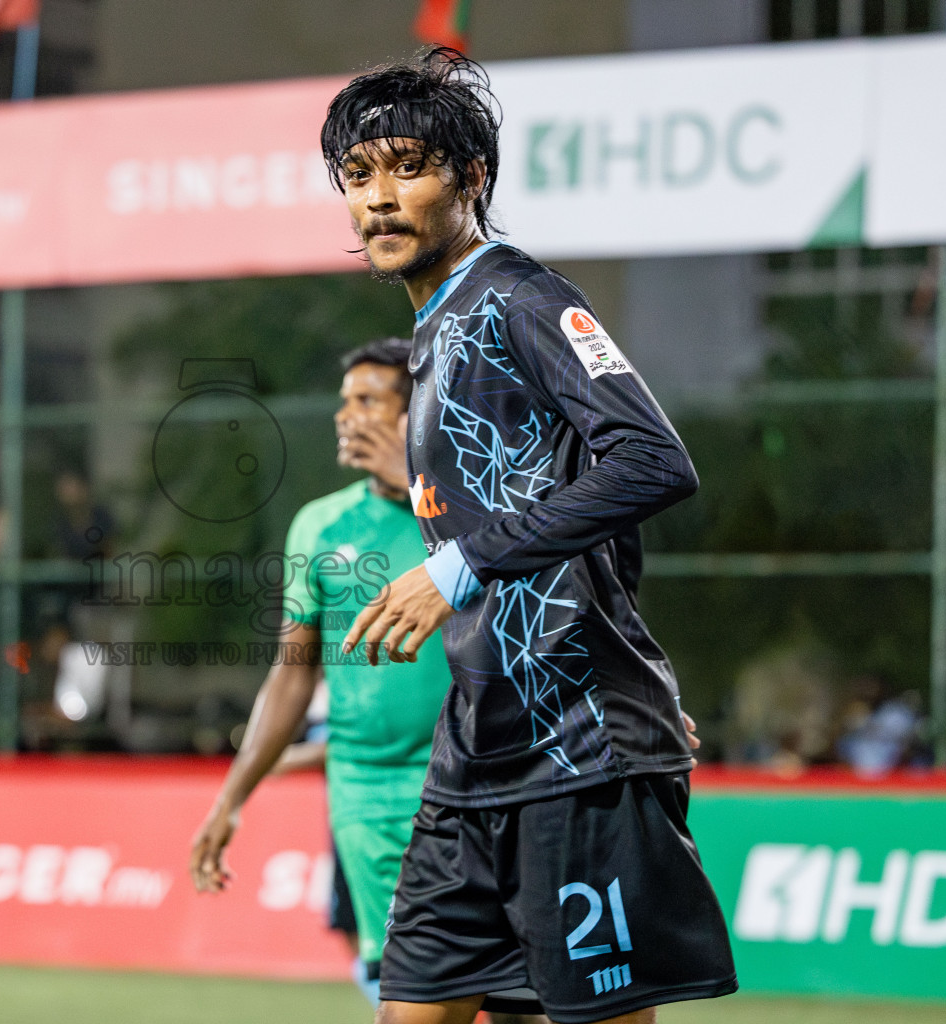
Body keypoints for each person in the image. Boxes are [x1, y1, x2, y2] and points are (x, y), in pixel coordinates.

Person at [325, 51, 736, 1023]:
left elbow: (651, 463)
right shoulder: (433, 333)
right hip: (472, 754)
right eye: (358, 176)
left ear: (471, 178)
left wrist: (456, 570)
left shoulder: (520, 296)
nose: (380, 199)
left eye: (408, 167)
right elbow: (585, 528)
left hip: (579, 753)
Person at [189, 338, 545, 1020]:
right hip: (368, 801)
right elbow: (292, 675)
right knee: (408, 999)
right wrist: (232, 796)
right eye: (343, 401)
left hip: (485, 783)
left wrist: (418, 479)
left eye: (368, 401)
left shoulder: (479, 512)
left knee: (513, 1002)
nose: (345, 416)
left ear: (421, 413)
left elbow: (533, 627)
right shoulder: (319, 525)